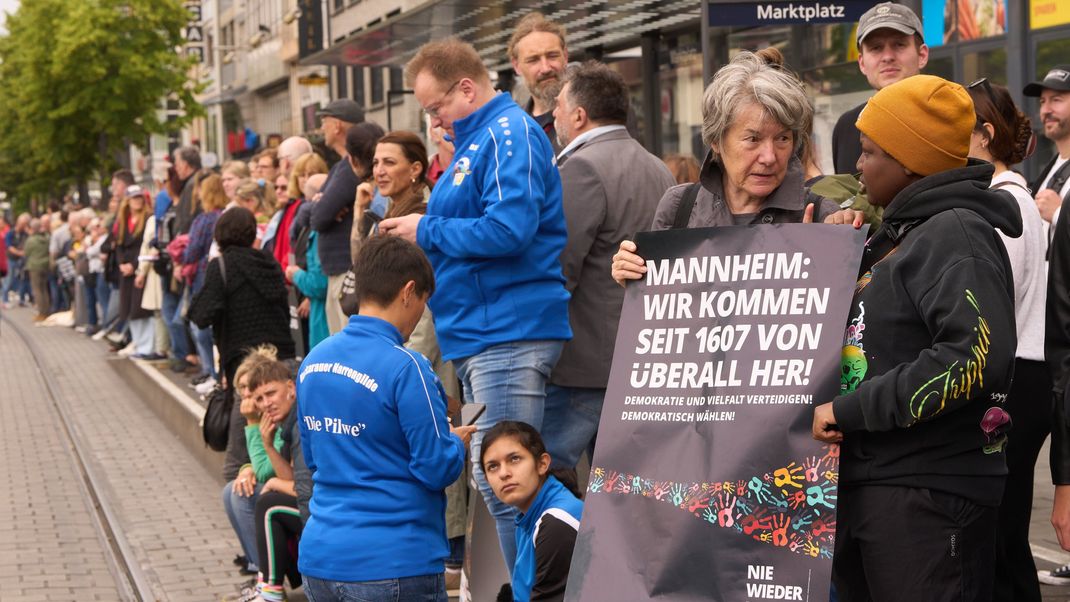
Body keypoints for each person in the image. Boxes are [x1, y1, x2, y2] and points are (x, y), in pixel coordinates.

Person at [809, 75, 1019, 600]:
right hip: (885, 486)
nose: (858, 166)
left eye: (868, 151)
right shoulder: (904, 232)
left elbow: (975, 356)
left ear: (909, 161)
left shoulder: (956, 232)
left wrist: (851, 409)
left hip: (928, 495)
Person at [384, 37, 572, 569]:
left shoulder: (509, 133)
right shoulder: (483, 136)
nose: (434, 118)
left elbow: (510, 229)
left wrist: (427, 228)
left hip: (505, 330)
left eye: (435, 106)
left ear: (466, 88)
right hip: (486, 331)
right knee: (504, 488)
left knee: (509, 488)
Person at [297, 235, 474, 601]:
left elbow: (314, 460)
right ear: (409, 292)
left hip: (320, 557)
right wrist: (456, 442)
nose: (421, 315)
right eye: (424, 303)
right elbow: (435, 467)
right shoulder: (407, 366)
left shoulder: (313, 361)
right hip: (394, 563)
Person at [611, 51, 847, 288]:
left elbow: (843, 310)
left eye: (782, 139)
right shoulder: (678, 208)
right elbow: (661, 311)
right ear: (716, 140)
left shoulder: (820, 215)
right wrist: (634, 279)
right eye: (753, 139)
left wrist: (828, 257)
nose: (769, 157)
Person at [543, 61, 676, 471]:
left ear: (580, 115)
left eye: (559, 107)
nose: (554, 115)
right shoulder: (658, 167)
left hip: (583, 367)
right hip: (641, 359)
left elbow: (559, 266)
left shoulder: (580, 167)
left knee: (544, 476)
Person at [963, 79, 1049, 599]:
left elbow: (993, 304)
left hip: (1015, 378)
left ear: (983, 134)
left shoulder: (1004, 204)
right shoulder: (1015, 197)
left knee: (1001, 539)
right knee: (1004, 535)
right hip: (1024, 374)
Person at [188, 207, 296, 485]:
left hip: (249, 374)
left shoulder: (222, 266)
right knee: (282, 452)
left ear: (220, 236)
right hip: (281, 367)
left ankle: (251, 518)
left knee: (236, 463)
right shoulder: (269, 263)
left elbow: (200, 315)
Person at [481, 421, 583, 602]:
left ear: (542, 464)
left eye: (514, 459)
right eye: (493, 466)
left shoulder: (557, 522)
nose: (504, 473)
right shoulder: (530, 516)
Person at [831, 2, 928, 174]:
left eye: (899, 44)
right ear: (861, 63)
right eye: (876, 48)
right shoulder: (847, 127)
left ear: (922, 55)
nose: (888, 56)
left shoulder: (949, 116)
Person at [309, 99, 367, 335]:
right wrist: (321, 204)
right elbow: (314, 213)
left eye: (324, 122)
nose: (321, 128)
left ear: (337, 126)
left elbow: (319, 217)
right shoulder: (340, 167)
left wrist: (322, 204)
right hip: (338, 271)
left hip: (346, 273)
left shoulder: (348, 169)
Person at [182, 173, 228, 392]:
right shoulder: (225, 215)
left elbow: (191, 251)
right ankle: (214, 373)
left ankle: (211, 371)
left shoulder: (205, 218)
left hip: (203, 275)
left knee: (200, 325)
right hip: (221, 275)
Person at [508, 12, 568, 148]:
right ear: (516, 66)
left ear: (565, 56)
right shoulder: (511, 128)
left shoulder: (594, 113)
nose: (545, 68)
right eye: (533, 60)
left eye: (552, 56)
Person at [1024, 65, 1070, 228]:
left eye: (1056, 100)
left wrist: (1058, 213)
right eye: (1042, 101)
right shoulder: (1051, 170)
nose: (1045, 110)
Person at [113, 186, 153, 355]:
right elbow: (118, 245)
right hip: (126, 271)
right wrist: (122, 263)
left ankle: (146, 346)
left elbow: (146, 245)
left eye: (140, 198)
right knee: (129, 308)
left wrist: (135, 266)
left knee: (141, 308)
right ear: (127, 201)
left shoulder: (148, 218)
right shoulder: (122, 221)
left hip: (140, 268)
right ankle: (137, 343)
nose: (138, 201)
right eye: (134, 198)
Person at [24, 217, 51, 321]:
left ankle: (41, 313)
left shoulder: (31, 240)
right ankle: (46, 310)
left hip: (35, 267)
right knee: (44, 289)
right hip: (45, 265)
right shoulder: (46, 238)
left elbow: (26, 253)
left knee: (37, 290)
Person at [2, 213, 30, 309]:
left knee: (22, 278)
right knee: (9, 278)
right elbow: (9, 246)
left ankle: (21, 299)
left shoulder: (25, 234)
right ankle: (5, 299)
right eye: (23, 224)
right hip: (12, 259)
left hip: (22, 260)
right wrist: (20, 253)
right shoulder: (11, 233)